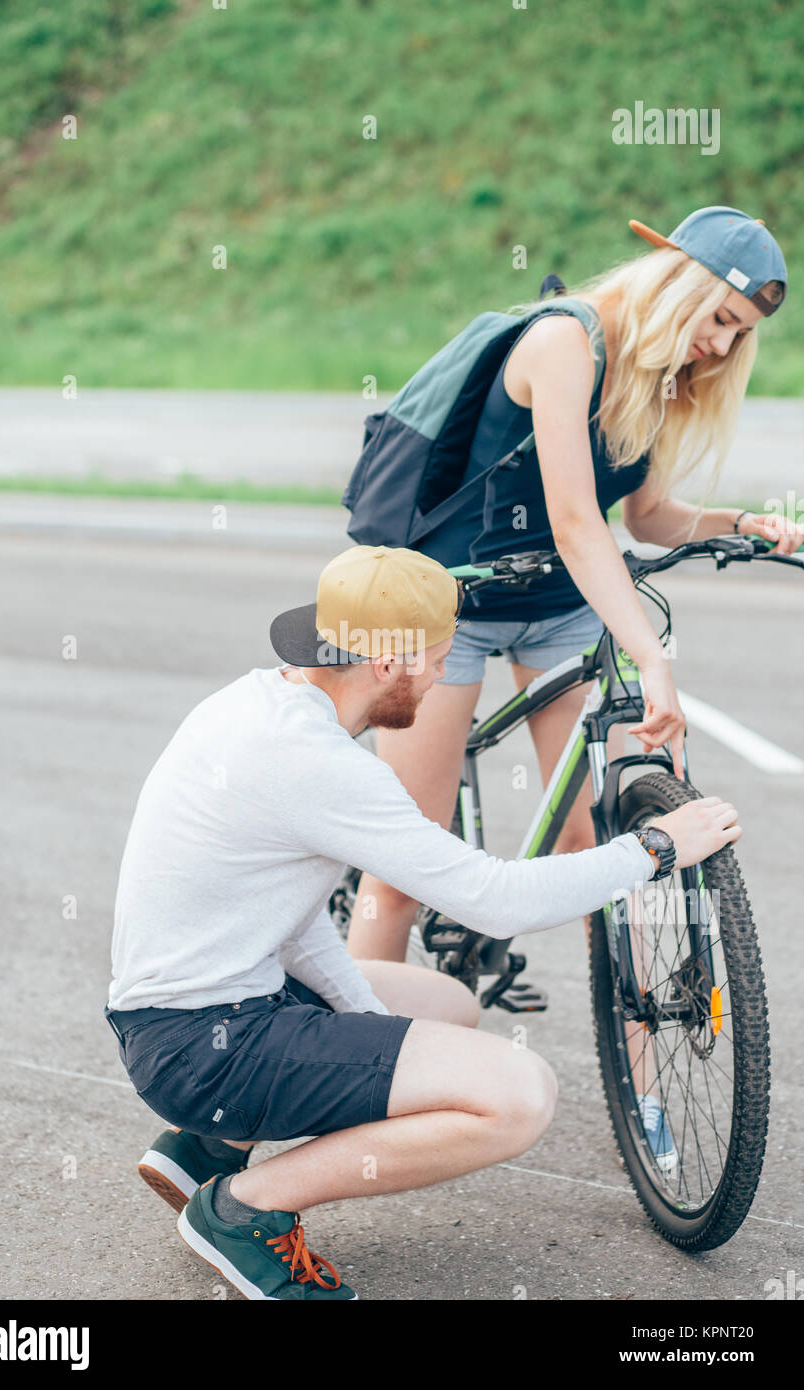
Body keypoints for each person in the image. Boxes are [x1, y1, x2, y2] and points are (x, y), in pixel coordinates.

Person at [104, 545, 741, 1300]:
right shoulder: (318, 765)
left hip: (192, 1012)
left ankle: (205, 1149)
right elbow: (497, 900)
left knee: (449, 1006)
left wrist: (370, 1034)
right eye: (437, 661)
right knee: (519, 1096)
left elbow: (295, 922)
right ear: (386, 665)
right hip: (203, 1045)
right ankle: (244, 1212)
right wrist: (655, 849)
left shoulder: (258, 702)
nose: (444, 678)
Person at [347, 207, 799, 955]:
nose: (721, 345)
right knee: (407, 866)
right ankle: (368, 1058)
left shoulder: (662, 373)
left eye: (740, 333)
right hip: (443, 596)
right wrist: (652, 657)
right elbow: (576, 522)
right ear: (678, 283)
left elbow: (647, 518)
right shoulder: (565, 341)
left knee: (602, 848)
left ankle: (645, 1070)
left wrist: (736, 521)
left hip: (556, 602)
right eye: (719, 318)